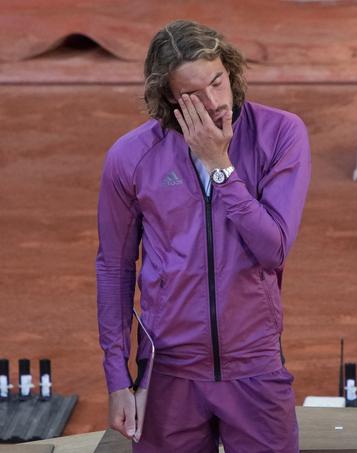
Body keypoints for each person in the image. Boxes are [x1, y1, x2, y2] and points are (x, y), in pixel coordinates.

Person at [96, 20, 311, 452]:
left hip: (255, 365)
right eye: (194, 95)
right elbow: (115, 268)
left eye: (218, 82)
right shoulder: (131, 157)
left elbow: (273, 249)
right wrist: (118, 378)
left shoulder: (281, 134)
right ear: (170, 99)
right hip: (169, 372)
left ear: (230, 71)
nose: (215, 103)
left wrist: (220, 165)